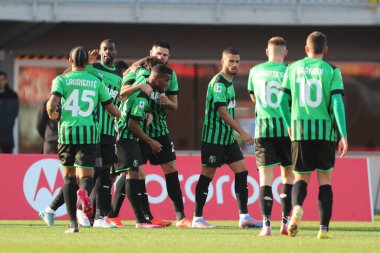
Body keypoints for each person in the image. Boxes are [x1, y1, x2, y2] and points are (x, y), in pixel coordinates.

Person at [109, 40, 192, 228]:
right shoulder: (139, 72)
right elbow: (121, 92)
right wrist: (139, 79)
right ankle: (112, 214)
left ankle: (181, 217)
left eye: (165, 55)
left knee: (170, 167)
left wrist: (166, 102)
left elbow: (175, 105)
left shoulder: (170, 76)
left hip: (159, 129)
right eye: (158, 54)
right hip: (136, 129)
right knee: (132, 171)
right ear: (151, 53)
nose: (161, 57)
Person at [278, 31, 348, 239]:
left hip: (300, 132)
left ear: (306, 49)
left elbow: (281, 101)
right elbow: (337, 103)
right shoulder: (333, 71)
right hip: (325, 133)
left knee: (300, 177)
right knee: (325, 180)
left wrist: (288, 123)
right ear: (325, 49)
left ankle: (297, 207)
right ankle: (323, 230)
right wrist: (343, 134)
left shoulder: (292, 68)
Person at [46, 46, 120, 233]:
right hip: (89, 134)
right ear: (87, 62)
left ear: (70, 62)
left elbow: (52, 104)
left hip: (67, 134)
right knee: (86, 176)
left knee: (69, 177)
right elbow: (111, 109)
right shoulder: (96, 81)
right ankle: (84, 194)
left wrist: (53, 113)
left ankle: (72, 224)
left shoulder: (61, 80)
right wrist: (118, 114)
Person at [192, 47, 262, 229]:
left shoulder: (230, 82)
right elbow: (222, 113)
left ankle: (244, 217)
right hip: (213, 139)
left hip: (227, 139)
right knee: (207, 176)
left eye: (237, 61)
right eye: (231, 61)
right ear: (222, 61)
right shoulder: (219, 83)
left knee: (242, 171)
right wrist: (243, 132)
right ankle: (197, 218)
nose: (235, 64)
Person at [114, 64, 173, 228]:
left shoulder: (145, 87)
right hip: (126, 136)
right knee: (131, 175)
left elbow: (132, 109)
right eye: (166, 80)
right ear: (156, 78)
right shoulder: (143, 94)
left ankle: (112, 215)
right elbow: (133, 124)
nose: (168, 84)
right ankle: (140, 220)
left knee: (135, 174)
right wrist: (150, 141)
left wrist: (147, 114)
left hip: (125, 136)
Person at [247, 37, 294, 236]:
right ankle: (284, 223)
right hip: (287, 131)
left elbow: (253, 97)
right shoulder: (290, 71)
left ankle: (266, 226)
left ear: (267, 51)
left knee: (265, 179)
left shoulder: (255, 71)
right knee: (288, 177)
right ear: (286, 53)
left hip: (263, 130)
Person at [0, 70, 19, 153]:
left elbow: (14, 112)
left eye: (2, 79)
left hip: (7, 135)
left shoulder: (12, 95)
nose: (0, 82)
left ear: (6, 80)